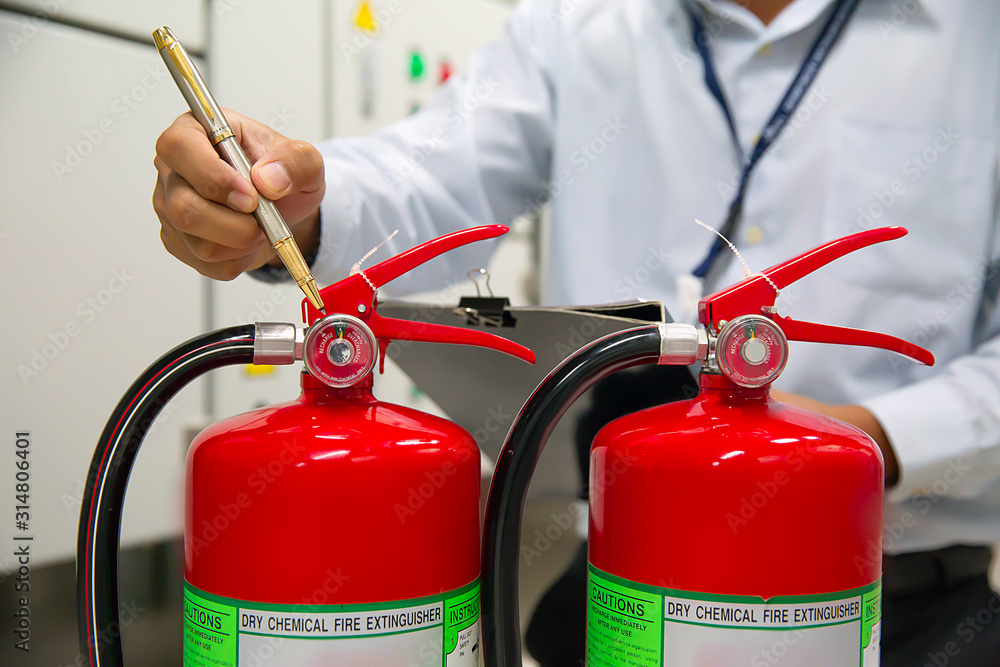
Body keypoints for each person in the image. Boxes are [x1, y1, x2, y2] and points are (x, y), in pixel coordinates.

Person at [152, 0, 1000, 664]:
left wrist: (875, 438)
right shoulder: (580, 20)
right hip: (624, 589)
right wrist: (295, 207)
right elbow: (433, 171)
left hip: (900, 608)